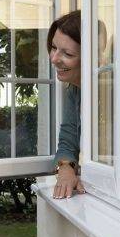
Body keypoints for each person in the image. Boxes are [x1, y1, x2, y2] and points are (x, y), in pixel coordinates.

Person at [47, 10, 86, 199]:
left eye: (68, 53)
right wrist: (65, 167)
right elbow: (67, 142)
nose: (54, 59)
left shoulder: (110, 95)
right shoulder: (74, 90)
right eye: (54, 47)